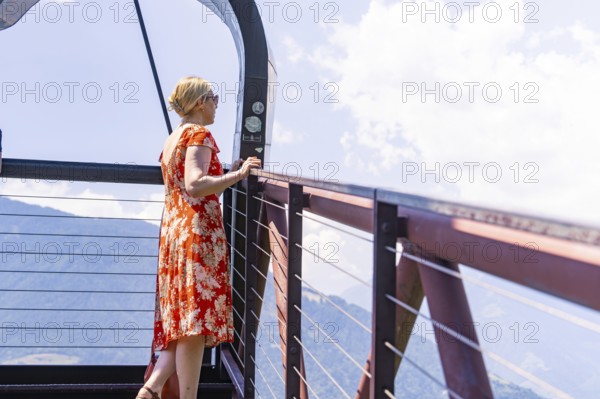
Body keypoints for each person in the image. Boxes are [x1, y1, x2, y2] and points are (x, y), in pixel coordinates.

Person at [136, 76, 261, 399]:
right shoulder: (199, 134)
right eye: (214, 97)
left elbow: (186, 181)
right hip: (197, 236)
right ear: (200, 102)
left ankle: (151, 390)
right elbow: (195, 184)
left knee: (181, 322)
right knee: (195, 323)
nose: (217, 103)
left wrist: (222, 173)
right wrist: (239, 174)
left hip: (173, 236)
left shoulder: (172, 139)